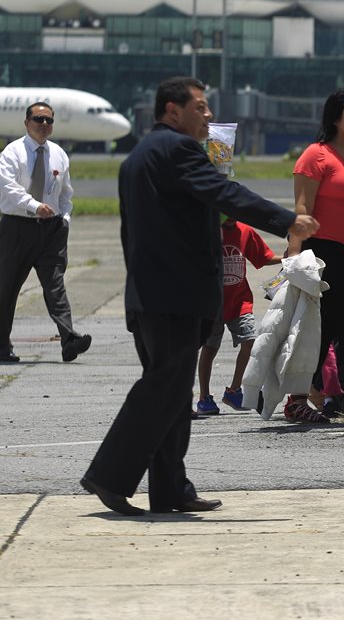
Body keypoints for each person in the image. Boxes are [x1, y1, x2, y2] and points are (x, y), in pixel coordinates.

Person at [81, 77, 317, 516]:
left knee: (171, 392)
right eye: (201, 107)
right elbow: (224, 194)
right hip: (175, 294)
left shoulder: (137, 158)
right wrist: (287, 220)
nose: (208, 115)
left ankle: (171, 489)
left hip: (152, 294)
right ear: (173, 111)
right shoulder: (177, 150)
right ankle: (108, 475)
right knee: (162, 388)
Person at [287, 89, 344, 422]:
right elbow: (301, 210)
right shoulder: (316, 155)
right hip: (322, 254)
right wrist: (294, 259)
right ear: (335, 118)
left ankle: (297, 401)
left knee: (322, 332)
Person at [0, 102, 91, 363]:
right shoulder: (12, 153)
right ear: (26, 122)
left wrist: (64, 218)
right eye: (38, 119)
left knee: (55, 286)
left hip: (51, 230)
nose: (44, 125)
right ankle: (1, 346)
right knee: (6, 289)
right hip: (17, 227)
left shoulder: (59, 154)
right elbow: (9, 189)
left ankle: (69, 339)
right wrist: (34, 206)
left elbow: (65, 193)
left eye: (49, 121)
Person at [194, 216, 282, 415]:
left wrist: (286, 259)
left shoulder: (244, 231)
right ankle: (204, 397)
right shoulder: (207, 231)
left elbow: (263, 257)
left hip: (240, 301)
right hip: (213, 303)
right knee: (209, 348)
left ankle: (234, 390)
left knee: (250, 341)